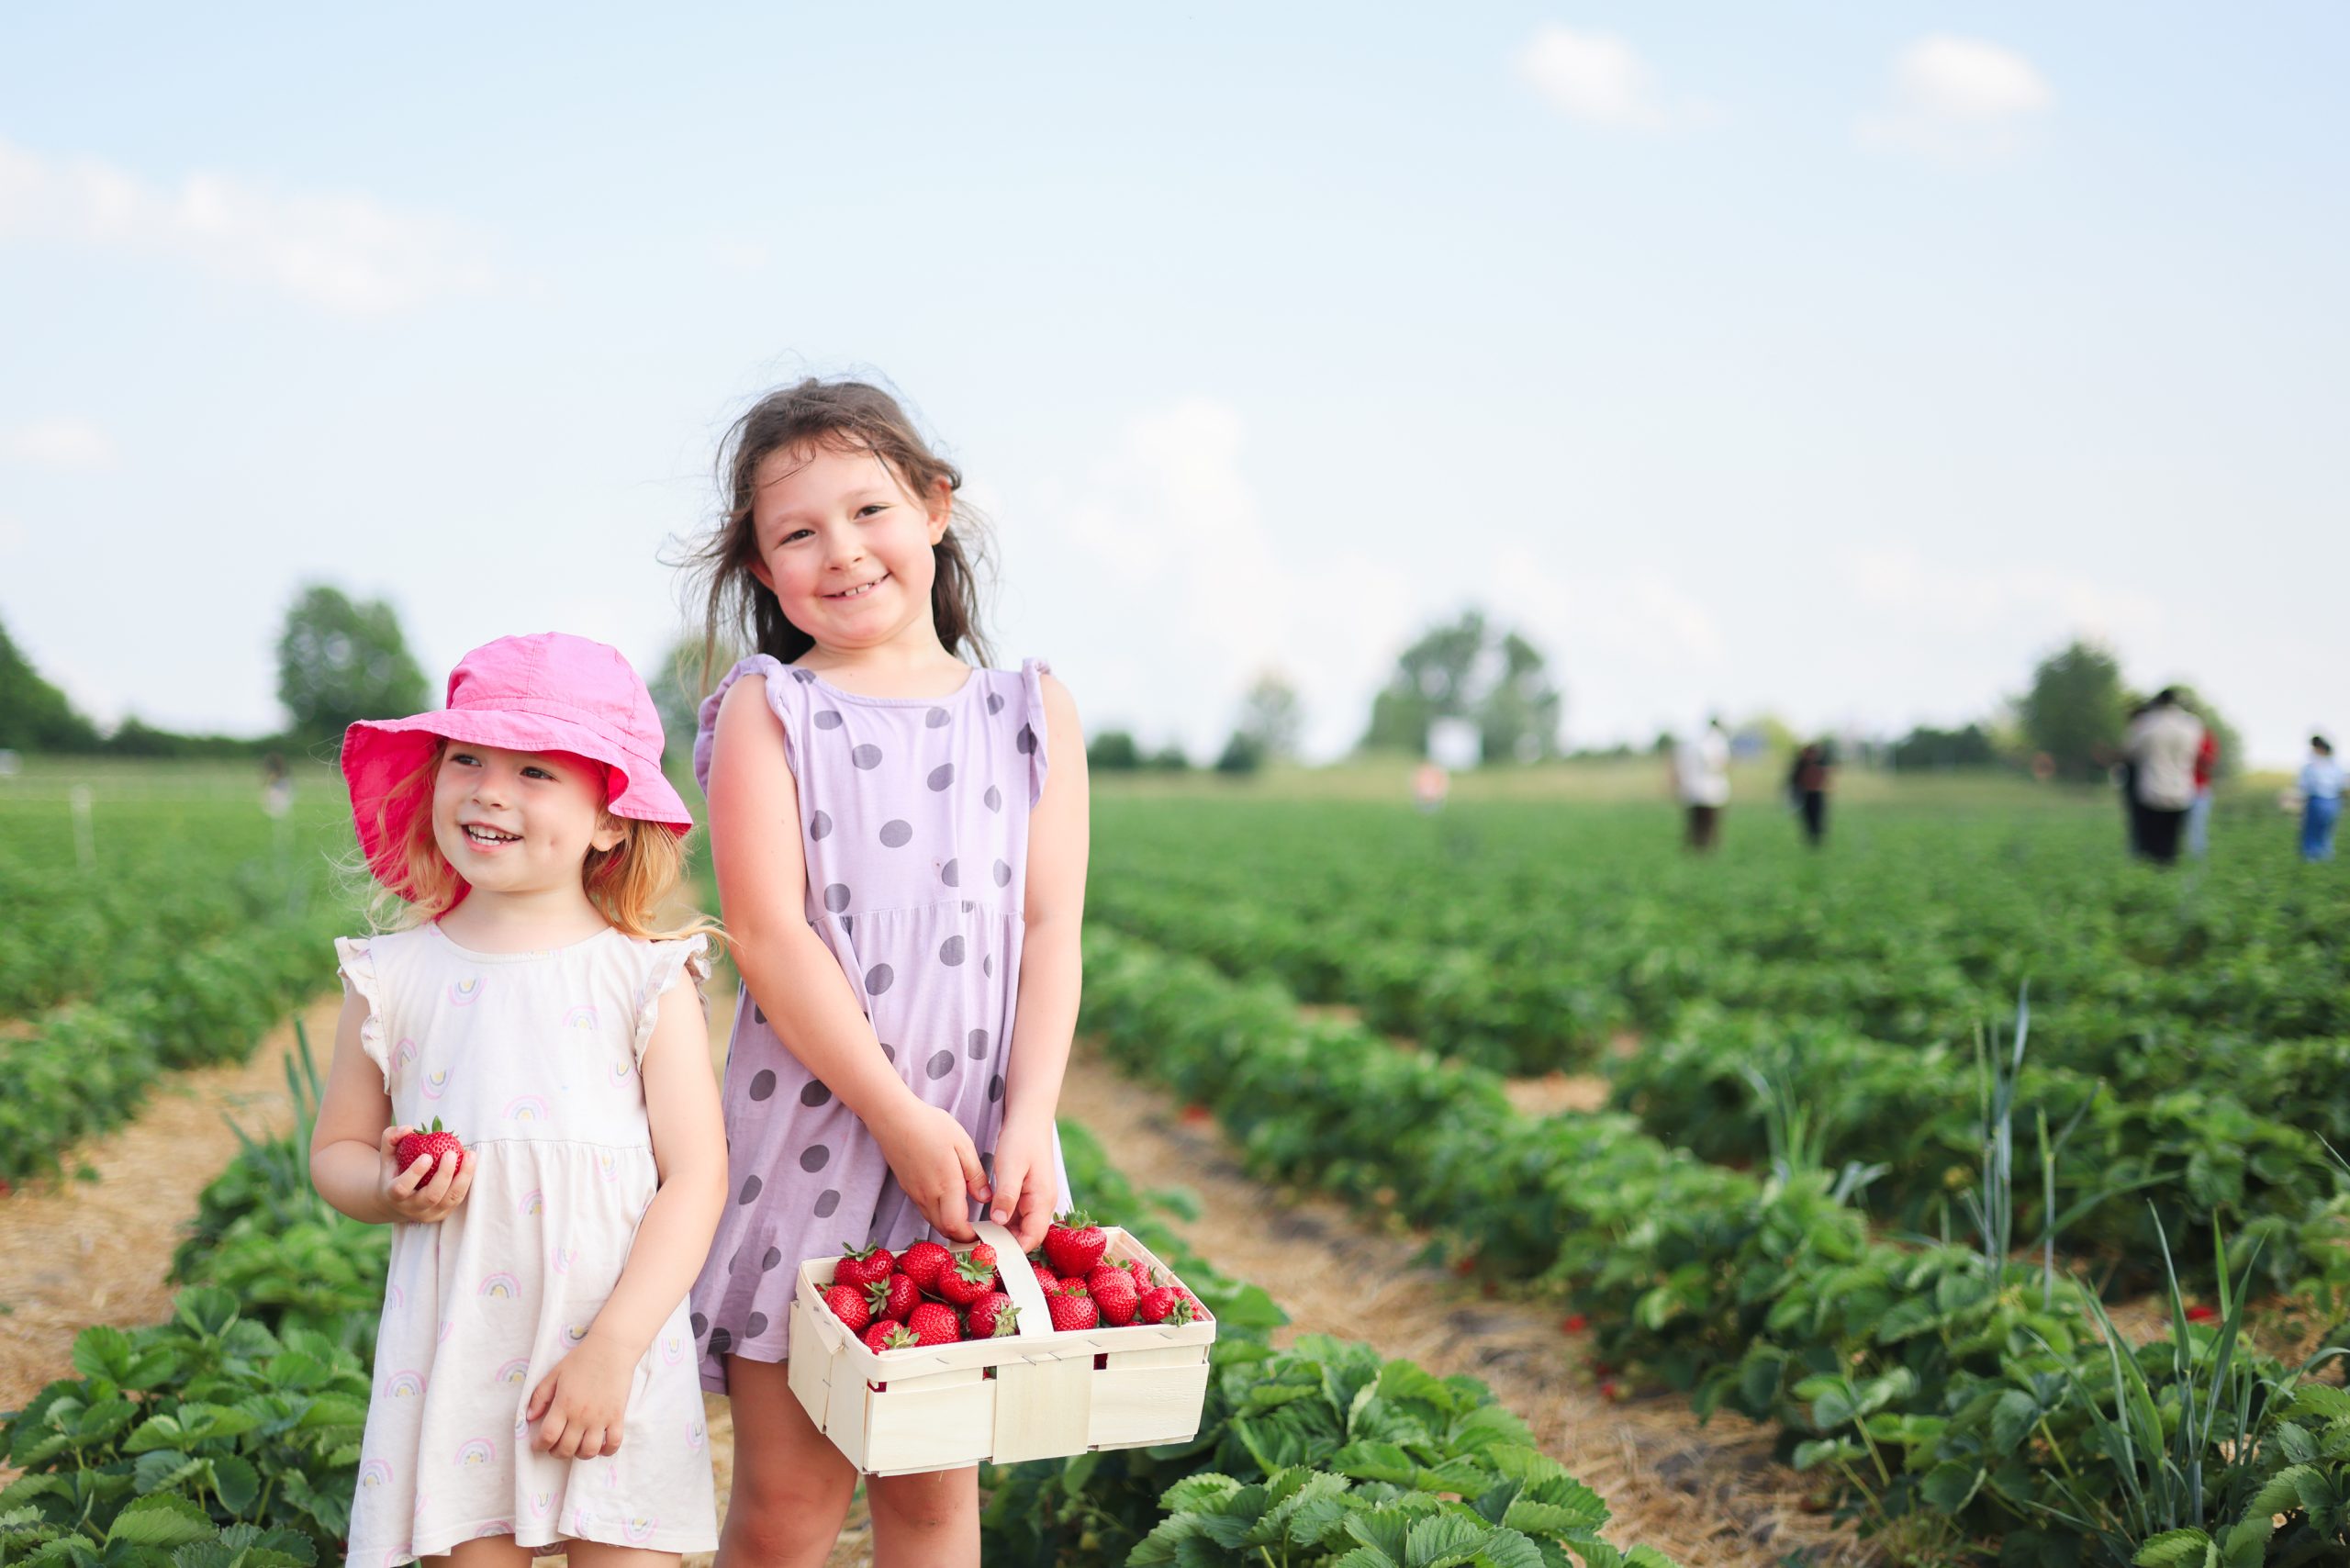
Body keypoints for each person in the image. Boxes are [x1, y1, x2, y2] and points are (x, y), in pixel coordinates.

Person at [680, 377, 1089, 1568]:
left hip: (967, 1156)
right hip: (812, 1136)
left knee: (929, 1503)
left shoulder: (1030, 710)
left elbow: (1052, 927)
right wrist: (895, 1114)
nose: (842, 551)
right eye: (798, 533)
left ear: (936, 509)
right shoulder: (772, 708)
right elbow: (769, 935)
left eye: (869, 511)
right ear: (761, 571)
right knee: (788, 1508)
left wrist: (1034, 1116)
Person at [309, 633, 728, 1568]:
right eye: (466, 759)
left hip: (615, 1344)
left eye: (536, 770)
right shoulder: (392, 975)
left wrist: (614, 1347)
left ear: (610, 818)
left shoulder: (642, 976)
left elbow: (697, 1177)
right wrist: (386, 1188)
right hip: (463, 1350)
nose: (490, 789)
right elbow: (337, 1147)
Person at [2124, 688, 2206, 866]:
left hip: (2151, 792)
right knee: (2171, 844)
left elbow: (2131, 752)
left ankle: (2151, 885)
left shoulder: (2146, 723)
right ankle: (2167, 878)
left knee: (2151, 846)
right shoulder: (2192, 725)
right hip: (2181, 792)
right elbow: (2196, 752)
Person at [1673, 717, 1730, 850]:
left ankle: (1696, 851)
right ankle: (1707, 851)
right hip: (1711, 790)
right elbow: (1718, 763)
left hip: (1693, 789)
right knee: (1710, 825)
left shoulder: (1693, 741)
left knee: (1695, 825)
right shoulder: (1716, 742)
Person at [2301, 734, 2343, 862]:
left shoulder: (2311, 767)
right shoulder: (2336, 767)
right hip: (2334, 802)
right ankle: (2326, 858)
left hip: (2316, 801)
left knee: (2312, 833)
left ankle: (2312, 860)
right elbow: (2342, 786)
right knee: (2326, 833)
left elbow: (2303, 787)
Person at [1786, 740, 1830, 847]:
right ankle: (1810, 836)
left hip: (1816, 793)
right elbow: (1794, 778)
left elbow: (1824, 775)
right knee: (1807, 816)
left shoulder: (1819, 761)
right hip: (1805, 793)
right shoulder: (1801, 762)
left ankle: (1817, 837)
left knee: (1817, 815)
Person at [2185, 724, 2220, 858]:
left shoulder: (2206, 736)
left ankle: (2196, 862)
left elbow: (2209, 766)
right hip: (2177, 789)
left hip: (2199, 791)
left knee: (2197, 829)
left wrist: (2194, 753)